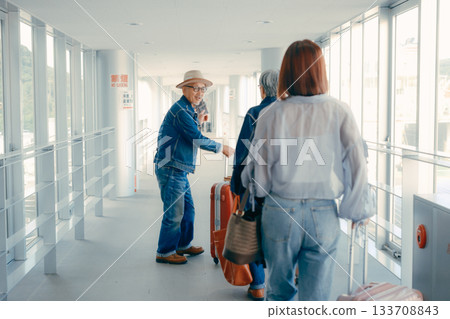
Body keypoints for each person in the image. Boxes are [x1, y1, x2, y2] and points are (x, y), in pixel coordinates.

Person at [241, 40, 374, 301]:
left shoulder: (270, 114)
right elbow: (357, 164)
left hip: (278, 210)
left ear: (286, 72)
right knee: (316, 297)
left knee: (278, 291)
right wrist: (358, 209)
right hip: (323, 213)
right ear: (320, 70)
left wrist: (258, 190)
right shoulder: (339, 111)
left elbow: (256, 170)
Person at [154, 70, 234, 264]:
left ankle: (181, 245)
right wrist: (220, 147)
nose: (200, 92)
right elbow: (196, 138)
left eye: (203, 89)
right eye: (196, 88)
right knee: (174, 213)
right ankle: (164, 252)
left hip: (179, 168)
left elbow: (190, 134)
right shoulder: (181, 111)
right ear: (184, 88)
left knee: (188, 211)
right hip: (171, 168)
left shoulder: (189, 109)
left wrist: (199, 120)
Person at [230, 69, 279, 301]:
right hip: (286, 187)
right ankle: (289, 276)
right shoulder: (293, 112)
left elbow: (242, 151)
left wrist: (235, 183)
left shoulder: (254, 113)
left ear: (261, 88)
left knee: (254, 230)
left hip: (258, 183)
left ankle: (258, 285)